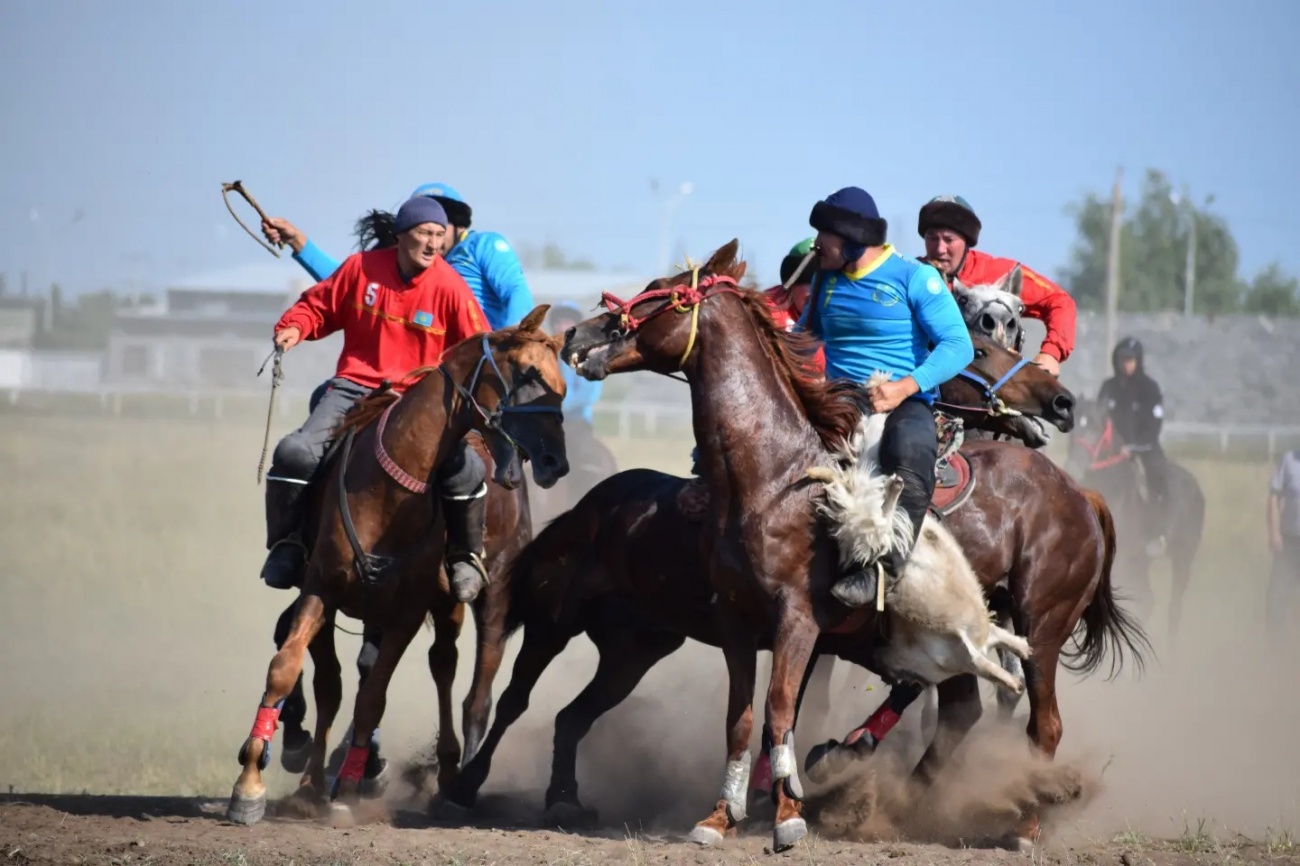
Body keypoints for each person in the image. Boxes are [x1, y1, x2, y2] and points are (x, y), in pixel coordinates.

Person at [260, 195, 494, 604]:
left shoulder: (450, 288)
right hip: (354, 388)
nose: (433, 244)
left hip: (418, 400)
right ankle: (288, 546)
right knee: (295, 451)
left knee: (468, 469)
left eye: (440, 236)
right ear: (401, 236)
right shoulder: (361, 270)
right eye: (425, 233)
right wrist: (294, 328)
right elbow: (318, 307)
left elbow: (479, 349)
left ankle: (464, 556)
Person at [796, 186, 975, 607]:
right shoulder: (825, 279)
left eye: (825, 234)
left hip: (903, 402)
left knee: (909, 448)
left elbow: (957, 346)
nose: (817, 244)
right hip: (839, 401)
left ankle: (882, 572)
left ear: (853, 239)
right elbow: (803, 341)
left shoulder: (915, 277)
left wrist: (902, 389)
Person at [261, 182, 535, 331]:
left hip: (483, 363)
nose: (431, 236)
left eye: (439, 226)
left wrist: (506, 344)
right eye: (422, 227)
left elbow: (517, 292)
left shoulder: (484, 245)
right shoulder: (410, 261)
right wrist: (297, 241)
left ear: (456, 224)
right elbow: (346, 281)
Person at [917, 195, 1075, 377]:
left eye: (949, 240)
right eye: (932, 238)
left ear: (966, 241)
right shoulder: (910, 273)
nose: (939, 249)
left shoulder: (1000, 273)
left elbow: (1060, 302)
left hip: (997, 381)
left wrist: (1051, 353)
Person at [1097, 336, 1170, 557]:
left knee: (1157, 478)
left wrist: (1133, 447)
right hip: (1111, 451)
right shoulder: (1108, 388)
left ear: (1138, 360)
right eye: (1121, 359)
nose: (1125, 363)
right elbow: (1098, 419)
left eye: (1130, 359)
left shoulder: (1149, 388)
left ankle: (1156, 534)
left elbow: (1154, 426)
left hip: (1144, 449)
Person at [1267, 448, 1300, 638]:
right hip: (1289, 543)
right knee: (1277, 597)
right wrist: (1274, 533)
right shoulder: (1288, 460)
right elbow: (1274, 498)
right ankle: (1273, 648)